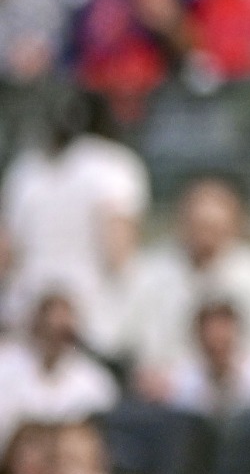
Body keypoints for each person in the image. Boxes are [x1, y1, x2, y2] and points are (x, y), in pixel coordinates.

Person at [0, 88, 147, 354]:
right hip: (91, 327)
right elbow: (119, 255)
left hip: (26, 322)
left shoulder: (24, 170)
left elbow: (5, 257)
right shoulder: (116, 166)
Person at [122, 175, 250, 371]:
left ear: (235, 225)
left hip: (245, 386)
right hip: (164, 387)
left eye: (213, 228)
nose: (205, 237)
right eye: (198, 226)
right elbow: (130, 342)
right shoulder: (148, 271)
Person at [0, 294, 118, 450]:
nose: (53, 339)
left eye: (62, 332)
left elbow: (96, 441)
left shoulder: (95, 380)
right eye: (48, 328)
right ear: (35, 325)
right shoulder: (5, 361)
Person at [152, 299, 250, 418]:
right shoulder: (182, 373)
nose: (216, 344)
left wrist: (234, 378)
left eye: (223, 340)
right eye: (210, 341)